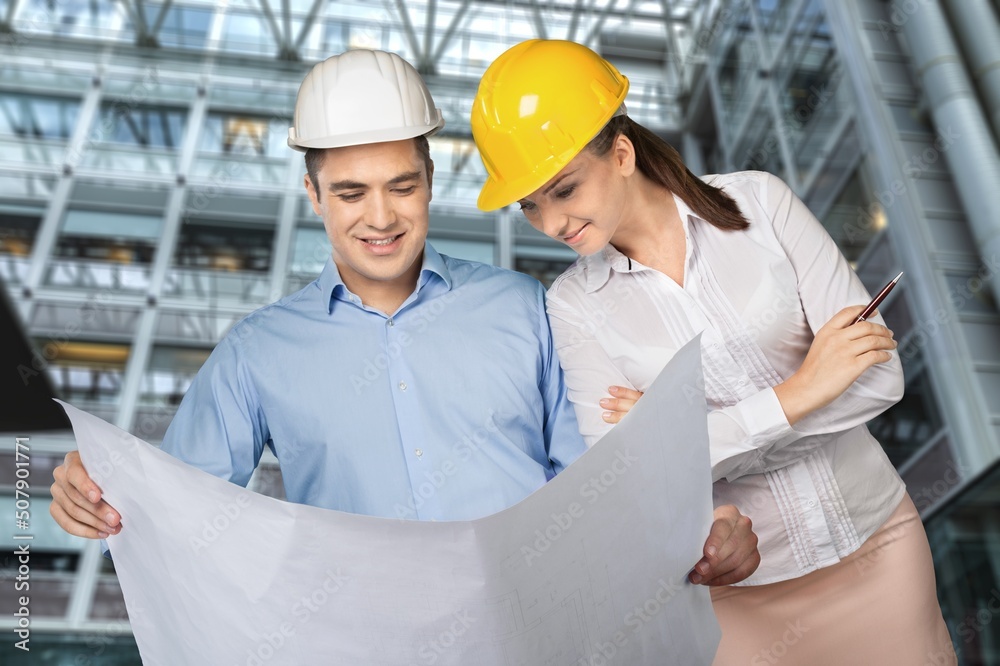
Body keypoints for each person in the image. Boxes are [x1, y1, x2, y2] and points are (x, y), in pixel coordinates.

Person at [50, 49, 760, 590]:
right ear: (312, 193)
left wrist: (696, 524)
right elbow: (173, 504)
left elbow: (599, 479)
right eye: (352, 193)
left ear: (429, 179)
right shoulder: (257, 353)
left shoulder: (524, 307)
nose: (382, 217)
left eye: (403, 186)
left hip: (541, 631)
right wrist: (95, 489)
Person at [471, 39, 955, 664]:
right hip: (740, 593)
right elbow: (635, 481)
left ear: (621, 153)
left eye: (563, 190)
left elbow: (878, 380)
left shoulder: (760, 204)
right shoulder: (572, 305)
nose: (551, 223)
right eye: (530, 205)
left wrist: (688, 436)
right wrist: (804, 389)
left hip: (879, 548)